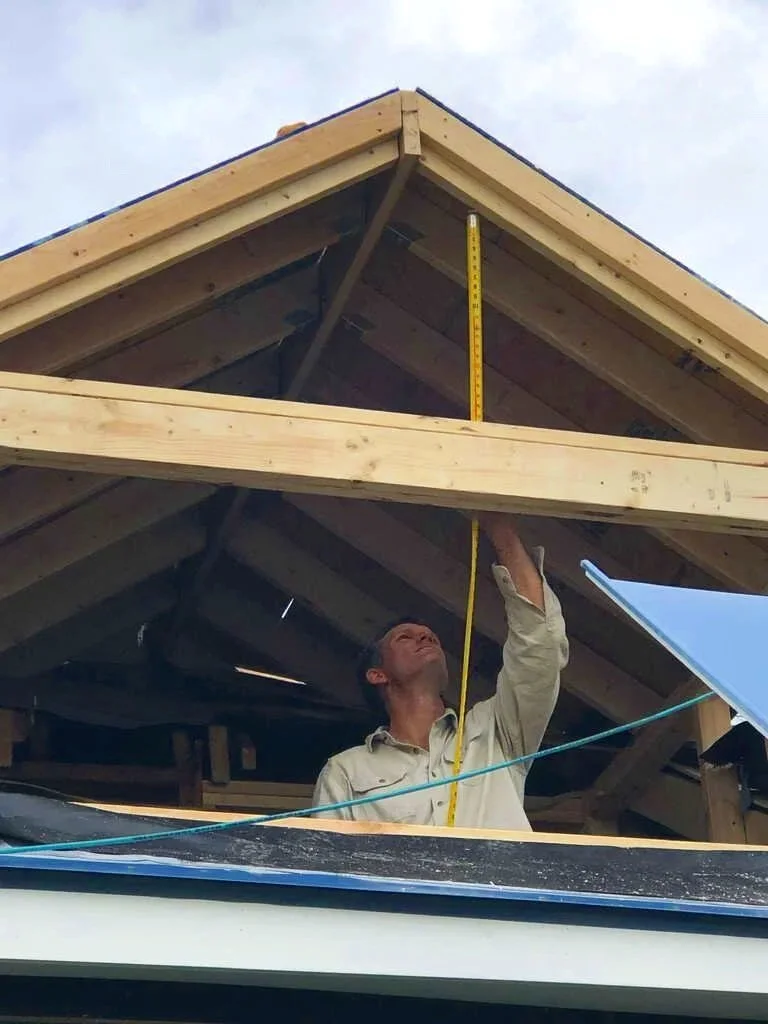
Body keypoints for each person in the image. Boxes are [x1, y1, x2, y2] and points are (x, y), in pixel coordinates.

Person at [311, 512, 569, 831]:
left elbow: (541, 643)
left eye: (430, 635)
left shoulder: (495, 732)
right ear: (377, 674)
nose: (425, 636)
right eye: (405, 637)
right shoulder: (346, 771)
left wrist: (500, 529)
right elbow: (328, 867)